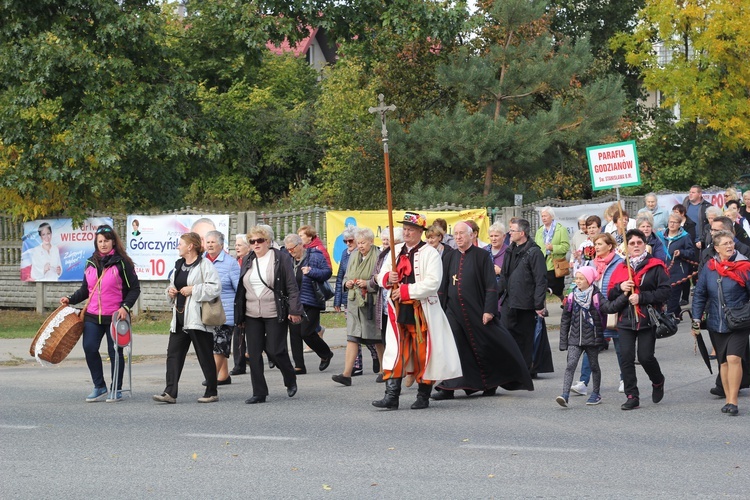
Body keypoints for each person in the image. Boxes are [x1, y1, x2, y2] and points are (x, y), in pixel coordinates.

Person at [433, 221, 533, 400]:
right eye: (455, 234)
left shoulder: (481, 256)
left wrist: (489, 310)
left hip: (477, 311)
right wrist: (440, 311)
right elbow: (443, 286)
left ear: (472, 235)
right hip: (453, 312)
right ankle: (448, 388)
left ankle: (490, 383)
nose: (458, 237)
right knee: (454, 348)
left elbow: (490, 286)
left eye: (462, 233)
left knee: (485, 346)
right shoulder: (449, 256)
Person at [372, 211, 462, 410]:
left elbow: (433, 283)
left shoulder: (430, 253)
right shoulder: (395, 251)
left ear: (420, 231)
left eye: (411, 230)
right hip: (397, 311)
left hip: (421, 311)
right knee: (396, 351)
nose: (406, 233)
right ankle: (391, 396)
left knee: (423, 353)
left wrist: (405, 290)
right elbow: (379, 276)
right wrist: (388, 278)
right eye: (404, 229)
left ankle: (423, 395)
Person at [61, 224, 140, 402]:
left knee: (115, 354)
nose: (103, 244)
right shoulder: (90, 263)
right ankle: (99, 386)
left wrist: (125, 307)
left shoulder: (122, 263)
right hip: (92, 316)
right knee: (89, 348)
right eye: (100, 241)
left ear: (113, 242)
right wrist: (70, 299)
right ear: (96, 243)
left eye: (107, 241)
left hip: (115, 316)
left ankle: (116, 389)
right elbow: (85, 290)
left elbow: (134, 289)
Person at [234, 227, 303, 404]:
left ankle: (290, 378)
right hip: (251, 313)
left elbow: (291, 286)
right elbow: (241, 289)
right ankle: (259, 392)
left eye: (259, 241)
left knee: (275, 350)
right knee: (254, 353)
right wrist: (240, 316)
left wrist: (295, 310)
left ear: (268, 241)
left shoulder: (280, 258)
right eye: (252, 241)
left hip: (274, 311)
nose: (256, 244)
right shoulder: (247, 259)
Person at [153, 232, 220, 404]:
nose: (178, 246)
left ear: (190, 246)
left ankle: (211, 391)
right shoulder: (179, 265)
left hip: (197, 319)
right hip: (179, 317)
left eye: (180, 243)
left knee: (204, 355)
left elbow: (215, 288)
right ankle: (170, 392)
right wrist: (170, 291)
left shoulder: (205, 265)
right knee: (173, 355)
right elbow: (172, 284)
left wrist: (193, 290)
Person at [607, 229, 670, 410]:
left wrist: (641, 298)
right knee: (626, 358)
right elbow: (610, 294)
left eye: (639, 243)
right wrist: (621, 287)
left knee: (645, 357)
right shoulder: (620, 268)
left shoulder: (656, 265)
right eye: (631, 243)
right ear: (626, 247)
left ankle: (658, 381)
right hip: (626, 319)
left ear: (645, 245)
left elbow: (665, 291)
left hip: (647, 319)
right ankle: (632, 395)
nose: (635, 246)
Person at [691, 230, 750, 416]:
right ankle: (727, 398)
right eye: (725, 244)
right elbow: (700, 294)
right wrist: (696, 320)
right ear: (716, 248)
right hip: (716, 322)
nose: (730, 246)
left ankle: (733, 401)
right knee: (723, 362)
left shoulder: (744, 266)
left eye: (731, 242)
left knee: (734, 358)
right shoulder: (709, 267)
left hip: (739, 321)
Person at [557, 267, 624, 407]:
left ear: (589, 280)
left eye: (581, 279)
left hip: (593, 339)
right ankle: (565, 395)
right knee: (570, 365)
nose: (578, 281)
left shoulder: (596, 296)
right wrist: (564, 340)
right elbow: (565, 320)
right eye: (576, 278)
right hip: (575, 339)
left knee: (594, 366)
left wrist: (624, 297)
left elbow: (609, 308)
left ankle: (596, 393)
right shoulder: (572, 296)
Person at [570, 233, 626, 396]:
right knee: (590, 346)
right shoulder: (591, 263)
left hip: (612, 310)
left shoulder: (619, 263)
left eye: (600, 244)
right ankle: (583, 382)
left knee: (620, 347)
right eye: (596, 244)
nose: (597, 247)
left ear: (610, 246)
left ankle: (625, 379)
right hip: (593, 311)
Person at [332, 228, 383, 386]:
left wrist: (367, 283)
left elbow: (382, 279)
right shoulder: (353, 255)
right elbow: (346, 275)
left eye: (363, 243)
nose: (360, 246)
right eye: (358, 242)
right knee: (352, 338)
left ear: (371, 242)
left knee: (377, 338)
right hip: (354, 301)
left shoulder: (379, 255)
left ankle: (384, 370)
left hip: (371, 302)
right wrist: (346, 284)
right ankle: (346, 374)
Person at [499, 218, 548, 371]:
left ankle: (526, 370)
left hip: (525, 303)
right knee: (507, 335)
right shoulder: (510, 250)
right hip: (509, 301)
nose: (509, 233)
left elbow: (541, 280)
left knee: (525, 339)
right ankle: (511, 368)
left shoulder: (534, 252)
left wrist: (539, 304)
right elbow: (504, 276)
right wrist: (493, 296)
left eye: (512, 230)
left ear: (522, 233)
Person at [284, 233, 335, 375]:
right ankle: (299, 366)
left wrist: (311, 271)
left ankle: (325, 353)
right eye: (288, 249)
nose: (290, 251)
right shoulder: (288, 259)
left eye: (292, 248)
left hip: (312, 300)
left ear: (300, 245)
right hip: (294, 301)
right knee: (294, 333)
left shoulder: (315, 255)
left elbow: (327, 272)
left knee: (306, 332)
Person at [203, 230, 240, 386]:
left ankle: (211, 378)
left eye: (213, 242)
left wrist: (241, 312)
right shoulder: (202, 261)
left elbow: (239, 289)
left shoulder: (230, 263)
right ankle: (223, 375)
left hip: (225, 312)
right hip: (207, 311)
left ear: (221, 244)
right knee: (214, 344)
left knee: (219, 345)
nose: (210, 245)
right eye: (208, 242)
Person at [368, 226, 403, 382]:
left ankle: (400, 373)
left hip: (400, 304)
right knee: (386, 340)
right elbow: (376, 277)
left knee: (399, 342)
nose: (390, 245)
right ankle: (388, 371)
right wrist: (376, 280)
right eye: (389, 241)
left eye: (394, 241)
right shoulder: (383, 256)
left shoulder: (404, 256)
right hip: (383, 304)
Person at [662, 212, 696, 319]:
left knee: (674, 293)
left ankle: (669, 316)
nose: (672, 224)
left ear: (679, 224)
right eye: (670, 222)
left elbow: (691, 252)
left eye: (675, 222)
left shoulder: (685, 237)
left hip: (678, 270)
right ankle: (677, 313)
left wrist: (681, 252)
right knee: (667, 294)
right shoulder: (662, 236)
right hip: (664, 270)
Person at [534, 207, 570, 299]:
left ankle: (564, 301)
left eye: (545, 216)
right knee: (541, 287)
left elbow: (566, 247)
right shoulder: (540, 231)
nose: (543, 218)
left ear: (552, 216)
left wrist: (553, 247)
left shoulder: (561, 229)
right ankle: (543, 309)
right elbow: (536, 246)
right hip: (542, 263)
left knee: (557, 289)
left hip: (555, 264)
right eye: (542, 216)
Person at [230, 234, 251, 376]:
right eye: (236, 245)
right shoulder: (234, 262)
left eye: (240, 245)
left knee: (254, 334)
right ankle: (239, 365)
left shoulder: (252, 261)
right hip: (238, 303)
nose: (236, 247)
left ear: (248, 247)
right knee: (237, 333)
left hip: (251, 302)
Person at [485, 221, 508, 313]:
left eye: (496, 236)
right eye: (491, 236)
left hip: (503, 297)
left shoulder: (509, 252)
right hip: (487, 294)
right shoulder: (484, 251)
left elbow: (515, 275)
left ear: (503, 236)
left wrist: (500, 271)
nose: (493, 239)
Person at [683, 185, 712, 250]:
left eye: (693, 192)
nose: (690, 194)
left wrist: (703, 240)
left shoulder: (707, 207)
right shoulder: (685, 205)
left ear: (699, 194)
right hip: (686, 241)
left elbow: (710, 226)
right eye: (690, 192)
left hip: (699, 243)